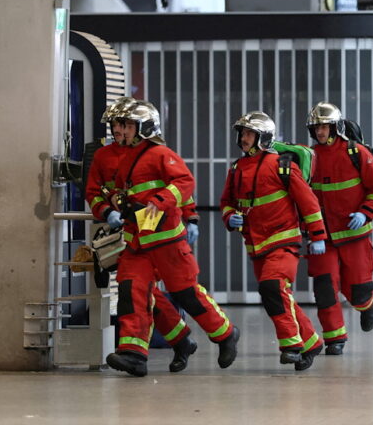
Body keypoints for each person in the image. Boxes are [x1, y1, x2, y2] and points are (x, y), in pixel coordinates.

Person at [88, 99, 239, 376]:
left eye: (126, 124)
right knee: (131, 291)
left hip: (167, 239)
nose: (119, 129)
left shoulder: (159, 154)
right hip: (136, 241)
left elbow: (184, 183)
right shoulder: (108, 157)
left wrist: (171, 206)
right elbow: (97, 192)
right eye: (117, 124)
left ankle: (225, 334)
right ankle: (133, 354)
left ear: (143, 127)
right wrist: (106, 210)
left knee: (187, 294)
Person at [220, 111, 326, 371]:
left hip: (283, 242)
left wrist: (318, 235)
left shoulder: (282, 166)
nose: (243, 138)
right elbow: (227, 202)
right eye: (242, 133)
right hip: (256, 246)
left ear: (262, 137)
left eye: (248, 133)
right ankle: (311, 341)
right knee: (278, 294)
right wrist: (230, 216)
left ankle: (291, 345)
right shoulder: (237, 168)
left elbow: (308, 202)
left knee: (272, 287)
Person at [305, 102, 373, 355]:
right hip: (323, 238)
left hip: (354, 235)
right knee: (324, 288)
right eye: (316, 127)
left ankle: (366, 305)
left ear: (335, 127)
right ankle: (335, 338)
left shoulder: (357, 152)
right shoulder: (309, 158)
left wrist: (365, 213)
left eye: (324, 126)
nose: (320, 131)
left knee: (358, 288)